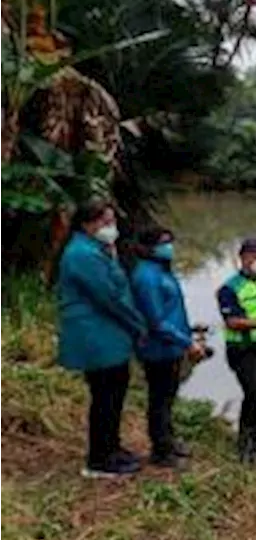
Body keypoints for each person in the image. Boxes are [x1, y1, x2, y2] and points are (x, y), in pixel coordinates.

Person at [56, 199, 147, 478]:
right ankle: (99, 460)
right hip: (96, 336)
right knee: (106, 395)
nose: (111, 228)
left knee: (114, 391)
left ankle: (112, 448)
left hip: (106, 334)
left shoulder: (97, 250)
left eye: (112, 222)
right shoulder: (83, 255)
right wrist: (138, 325)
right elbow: (110, 297)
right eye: (105, 222)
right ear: (87, 224)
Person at [130, 227, 205, 469]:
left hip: (171, 346)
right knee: (159, 399)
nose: (169, 246)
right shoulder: (146, 277)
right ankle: (161, 451)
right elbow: (156, 322)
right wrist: (187, 342)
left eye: (171, 241)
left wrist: (187, 334)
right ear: (149, 247)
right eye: (164, 243)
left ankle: (169, 440)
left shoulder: (160, 270)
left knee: (168, 396)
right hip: (157, 348)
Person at [217, 238, 256, 463]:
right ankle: (244, 446)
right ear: (245, 257)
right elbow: (232, 321)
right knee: (252, 392)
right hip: (241, 349)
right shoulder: (229, 288)